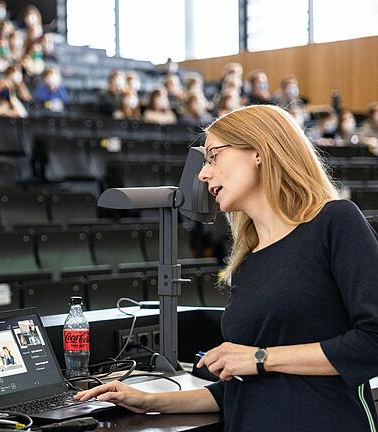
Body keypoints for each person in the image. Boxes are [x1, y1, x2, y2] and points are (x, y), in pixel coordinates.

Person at [76, 104, 378, 432]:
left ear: (259, 151)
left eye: (213, 156)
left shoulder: (335, 221)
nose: (203, 173)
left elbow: (372, 342)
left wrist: (261, 358)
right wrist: (148, 400)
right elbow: (239, 387)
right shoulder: (247, 258)